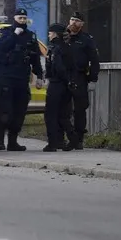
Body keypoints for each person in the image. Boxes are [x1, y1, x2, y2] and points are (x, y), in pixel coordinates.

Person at [0, 8, 44, 151]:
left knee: (19, 111)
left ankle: (13, 142)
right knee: (4, 111)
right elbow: (1, 46)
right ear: (14, 18)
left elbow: (35, 58)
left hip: (21, 78)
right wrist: (14, 35)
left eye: (24, 18)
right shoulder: (5, 32)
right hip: (6, 78)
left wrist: (39, 76)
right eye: (19, 18)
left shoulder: (30, 36)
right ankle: (0, 141)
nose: (22, 21)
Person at [65, 12, 101, 149]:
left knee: (79, 109)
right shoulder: (63, 36)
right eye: (72, 19)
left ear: (82, 24)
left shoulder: (86, 39)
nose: (73, 22)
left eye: (77, 20)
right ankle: (65, 137)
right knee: (63, 109)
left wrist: (93, 78)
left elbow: (94, 60)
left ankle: (78, 138)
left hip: (79, 76)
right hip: (64, 76)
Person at [42, 23, 76, 152]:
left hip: (57, 84)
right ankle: (73, 138)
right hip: (67, 85)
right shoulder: (67, 47)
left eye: (50, 33)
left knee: (50, 115)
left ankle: (52, 143)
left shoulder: (55, 48)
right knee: (63, 115)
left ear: (55, 34)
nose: (49, 35)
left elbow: (58, 67)